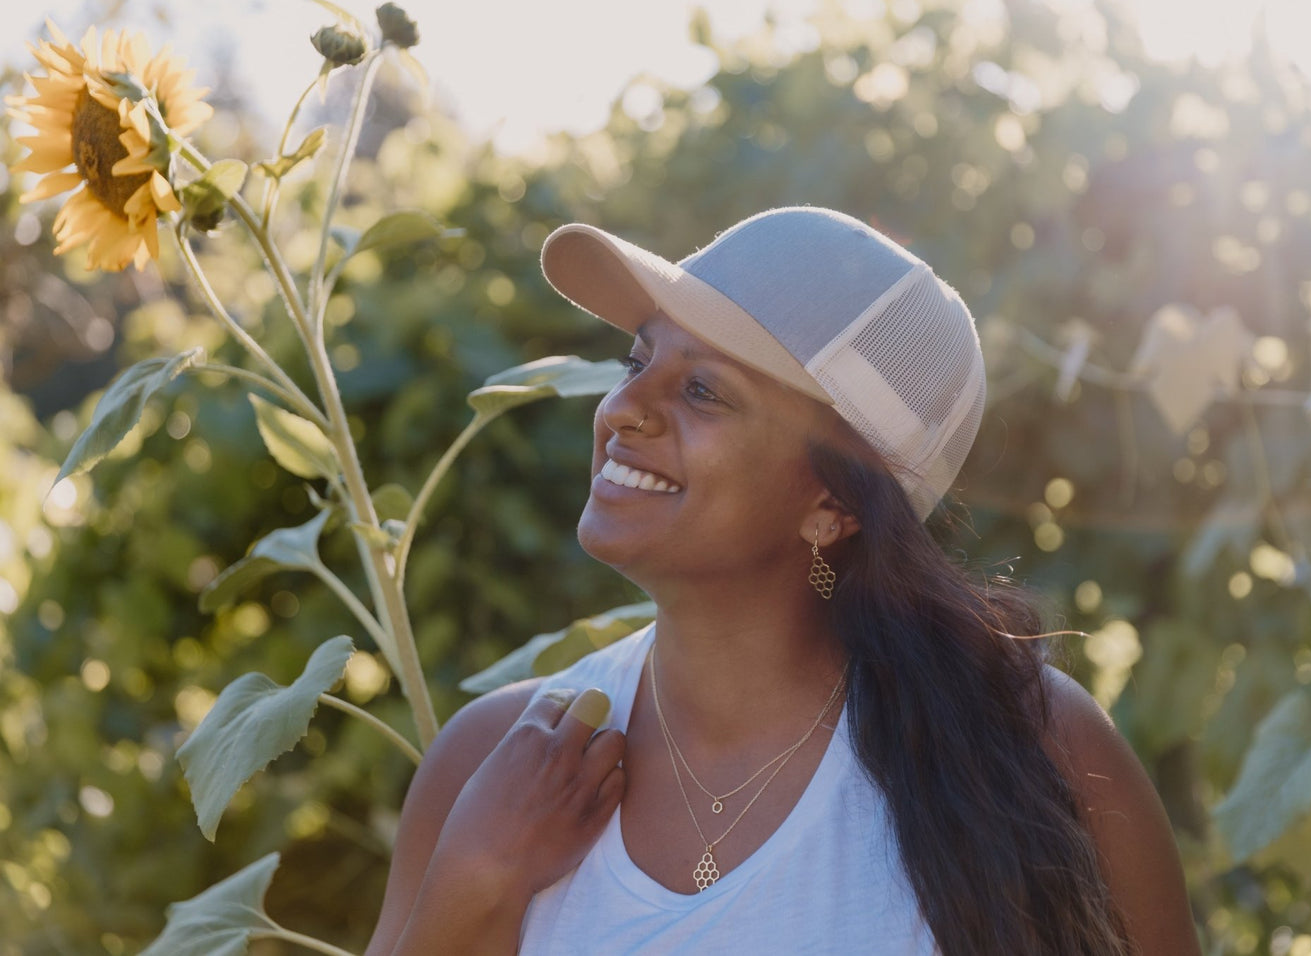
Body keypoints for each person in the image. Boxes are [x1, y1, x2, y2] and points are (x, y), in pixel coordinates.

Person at [364, 207, 1199, 955]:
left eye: (702, 391)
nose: (622, 408)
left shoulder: (1035, 750)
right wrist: (474, 880)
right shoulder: (487, 764)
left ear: (832, 502)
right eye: (635, 361)